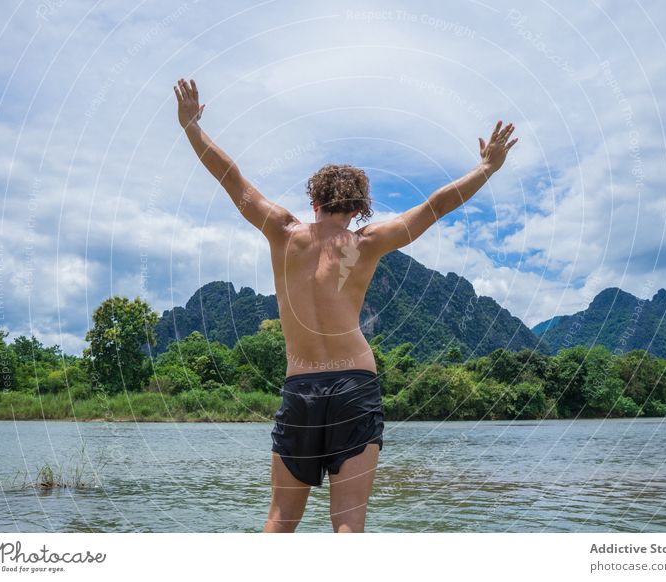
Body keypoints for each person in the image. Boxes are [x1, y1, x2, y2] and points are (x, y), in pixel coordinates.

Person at [174, 78, 517, 533]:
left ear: (312, 200)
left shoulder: (283, 232)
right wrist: (486, 169)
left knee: (279, 519)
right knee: (349, 525)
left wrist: (192, 129)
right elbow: (435, 206)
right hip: (355, 384)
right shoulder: (366, 243)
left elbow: (231, 178)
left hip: (301, 385)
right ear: (358, 208)